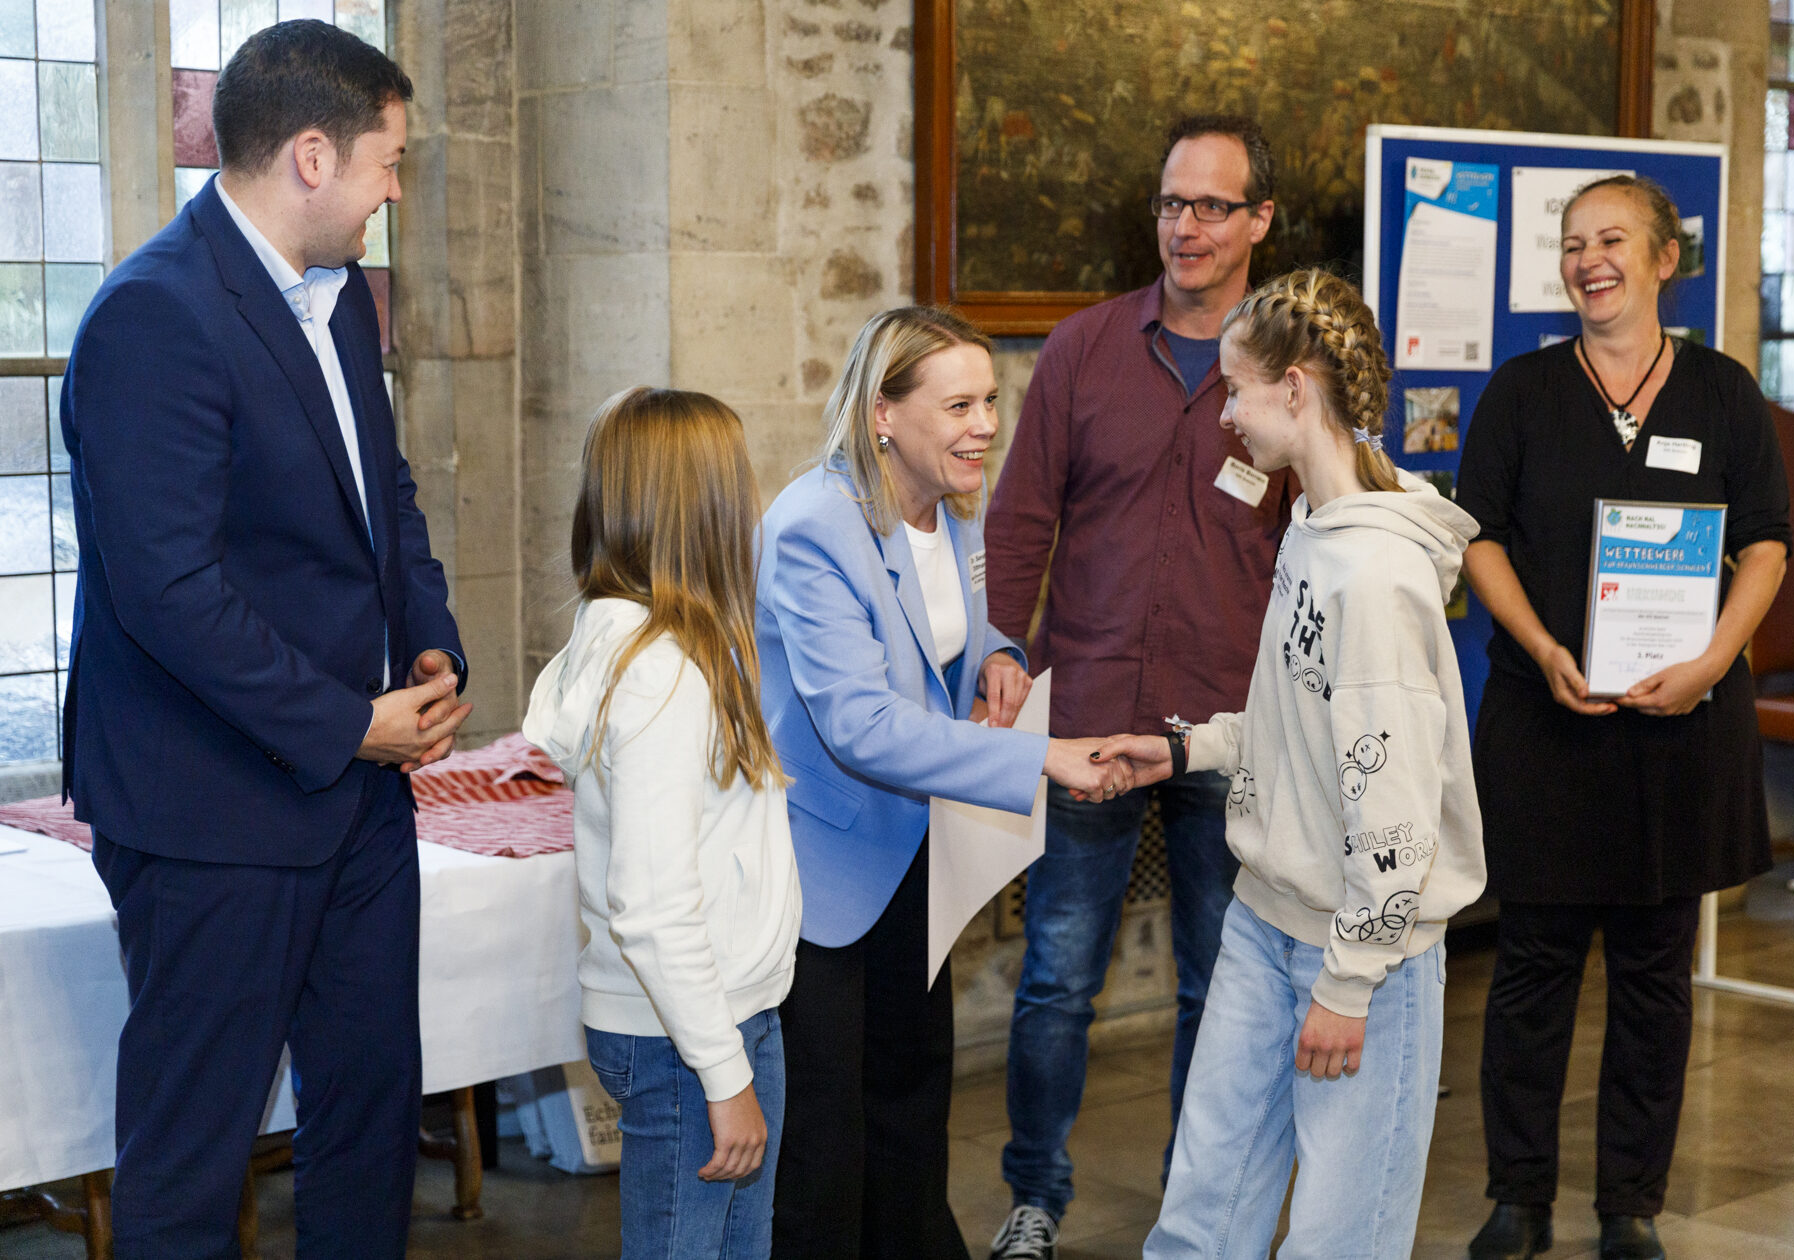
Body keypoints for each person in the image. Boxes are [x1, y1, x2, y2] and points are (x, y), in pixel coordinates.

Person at [59, 20, 468, 1259]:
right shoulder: (153, 314)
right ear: (310, 155)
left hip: (356, 801)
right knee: (191, 1158)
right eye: (388, 163)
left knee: (367, 1123)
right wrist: (349, 721)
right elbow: (167, 591)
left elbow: (379, 496)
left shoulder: (343, 305)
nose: (396, 191)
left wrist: (431, 644)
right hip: (206, 813)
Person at [1092, 269, 1485, 1259]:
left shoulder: (1379, 573)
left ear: (1298, 390)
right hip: (1263, 922)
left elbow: (1393, 811)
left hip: (1364, 956)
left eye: (1237, 391)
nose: (1227, 416)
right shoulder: (1309, 529)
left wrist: (1348, 985)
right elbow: (1289, 716)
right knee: (1200, 1215)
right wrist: (1186, 748)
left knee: (1337, 1239)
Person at [1455, 175, 1789, 1260]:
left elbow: (1768, 544)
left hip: (1680, 731)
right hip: (1549, 721)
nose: (1588, 259)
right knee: (1533, 968)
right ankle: (1519, 1195)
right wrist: (1545, 649)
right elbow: (1481, 539)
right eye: (1572, 243)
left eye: (1611, 240)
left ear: (1662, 260)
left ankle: (1630, 1206)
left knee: (1654, 977)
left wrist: (1710, 661)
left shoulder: (1726, 395)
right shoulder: (1522, 391)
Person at [983, 114, 1296, 1259]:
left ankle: (1197, 1205)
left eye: (1214, 206)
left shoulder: (1288, 372)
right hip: (1093, 726)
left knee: (1223, 989)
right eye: (1172, 203)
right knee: (1058, 980)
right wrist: (1000, 648)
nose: (1187, 226)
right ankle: (1035, 1196)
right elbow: (1022, 517)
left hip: (1231, 730)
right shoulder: (1083, 350)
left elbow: (1321, 539)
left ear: (1260, 220)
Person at [759, 306, 1131, 1260]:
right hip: (824, 877)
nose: (985, 426)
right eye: (959, 404)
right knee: (826, 1140)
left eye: (991, 401)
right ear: (884, 414)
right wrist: (1037, 756)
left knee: (913, 1099)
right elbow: (860, 725)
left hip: (916, 859)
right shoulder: (812, 526)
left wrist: (1001, 654)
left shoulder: (953, 511)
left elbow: (948, 642)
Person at [523, 388, 800, 1260]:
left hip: (714, 1018)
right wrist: (723, 1073)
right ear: (704, 507)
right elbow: (648, 901)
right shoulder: (662, 673)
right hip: (688, 1037)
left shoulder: (636, 642)